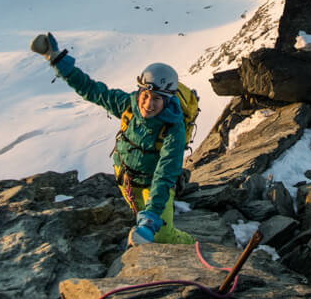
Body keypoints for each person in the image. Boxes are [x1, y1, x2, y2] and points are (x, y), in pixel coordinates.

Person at [30, 32, 194, 246]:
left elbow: (165, 174)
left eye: (157, 99)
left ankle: (194, 247)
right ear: (140, 91)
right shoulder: (129, 104)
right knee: (139, 216)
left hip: (151, 183)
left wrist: (152, 216)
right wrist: (57, 59)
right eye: (146, 95)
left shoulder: (174, 129)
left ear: (167, 100)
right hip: (125, 177)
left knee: (162, 235)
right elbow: (91, 89)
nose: (148, 104)